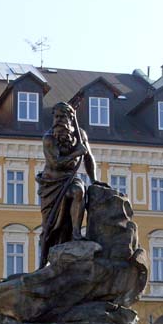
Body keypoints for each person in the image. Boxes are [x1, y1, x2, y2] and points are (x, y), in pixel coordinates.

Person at [36, 101, 97, 268]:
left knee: (79, 191)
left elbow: (89, 159)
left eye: (62, 116)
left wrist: (94, 180)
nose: (58, 120)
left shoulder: (80, 134)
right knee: (49, 227)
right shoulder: (49, 138)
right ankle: (42, 264)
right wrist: (77, 152)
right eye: (55, 116)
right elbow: (56, 163)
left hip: (70, 179)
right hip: (51, 184)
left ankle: (76, 233)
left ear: (71, 117)